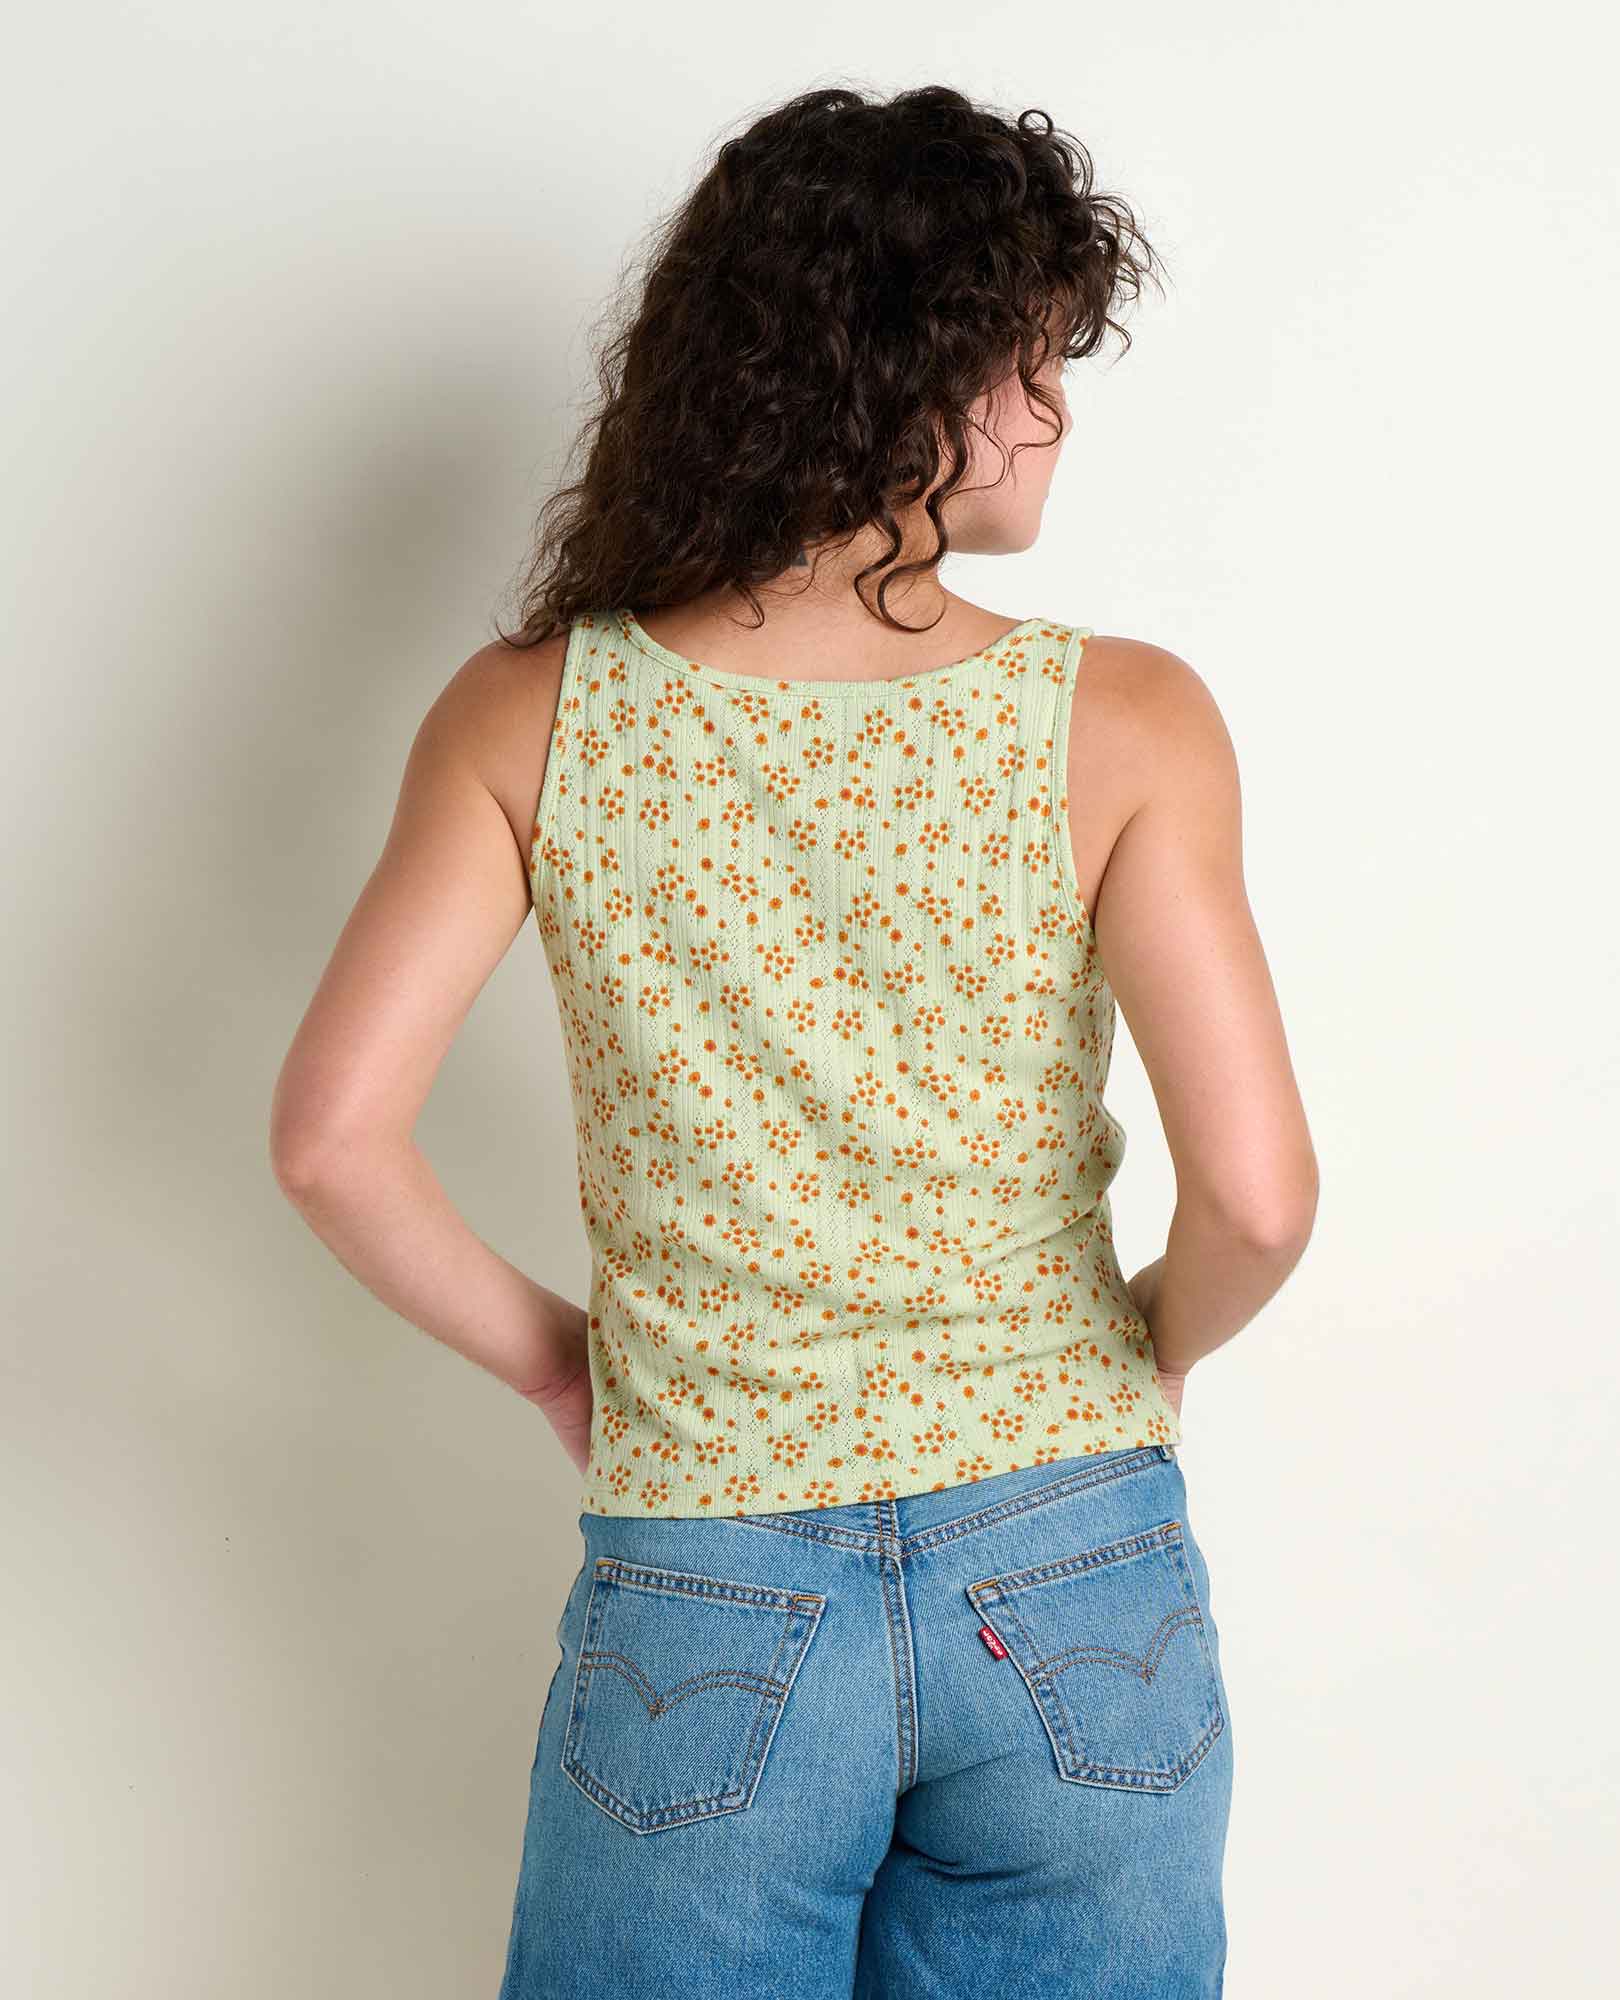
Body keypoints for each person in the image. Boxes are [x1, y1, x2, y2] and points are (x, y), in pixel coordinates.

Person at [271, 81, 1317, 2000]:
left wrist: (567, 1366)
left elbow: (333, 1141)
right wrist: (1143, 1359)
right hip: (1077, 1564)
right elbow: (1255, 1198)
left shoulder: (532, 716)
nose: (1057, 413)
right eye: (1028, 363)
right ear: (900, 378)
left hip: (709, 1572)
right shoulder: (1126, 721)